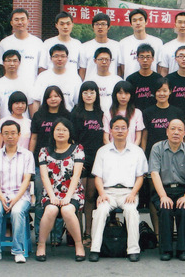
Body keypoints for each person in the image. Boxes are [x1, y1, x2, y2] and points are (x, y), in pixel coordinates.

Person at [88, 115, 148, 262]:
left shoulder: (137, 151)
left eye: (123, 128)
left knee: (131, 211)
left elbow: (140, 177)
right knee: (100, 211)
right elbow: (98, 177)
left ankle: (133, 250)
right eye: (116, 128)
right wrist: (101, 193)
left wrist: (133, 193)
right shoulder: (102, 151)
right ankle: (95, 249)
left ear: (128, 130)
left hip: (128, 192)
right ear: (111, 130)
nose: (120, 131)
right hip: (108, 192)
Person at [0, 120, 34, 264]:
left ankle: (18, 251)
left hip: (21, 196)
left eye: (13, 133)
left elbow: (26, 180)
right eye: (6, 133)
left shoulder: (27, 155)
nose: (10, 136)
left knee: (17, 212)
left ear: (19, 135)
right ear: (2, 135)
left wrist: (15, 199)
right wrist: (2, 198)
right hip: (0, 195)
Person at [149, 118, 185, 261]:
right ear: (167, 132)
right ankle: (166, 249)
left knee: (184, 208)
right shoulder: (157, 148)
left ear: (184, 133)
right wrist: (163, 196)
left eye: (179, 129)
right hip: (163, 190)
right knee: (165, 208)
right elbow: (154, 173)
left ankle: (182, 249)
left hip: (183, 190)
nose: (176, 132)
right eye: (173, 129)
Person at [37, 118, 87, 262]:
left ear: (70, 133)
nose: (61, 132)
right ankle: (41, 245)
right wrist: (52, 196)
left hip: (73, 193)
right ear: (52, 132)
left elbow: (76, 176)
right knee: (50, 210)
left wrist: (68, 197)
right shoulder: (43, 151)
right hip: (51, 193)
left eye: (64, 130)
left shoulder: (78, 150)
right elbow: (44, 177)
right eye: (58, 129)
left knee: (67, 210)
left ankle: (79, 245)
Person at [29, 85, 70, 233]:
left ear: (61, 98)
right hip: (41, 163)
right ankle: (40, 234)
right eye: (50, 96)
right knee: (41, 198)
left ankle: (57, 236)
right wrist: (30, 158)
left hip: (62, 162)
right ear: (45, 99)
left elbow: (71, 139)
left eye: (56, 96)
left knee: (60, 198)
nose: (53, 99)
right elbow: (34, 138)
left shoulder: (67, 115)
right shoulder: (38, 115)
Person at [71, 81, 104, 247]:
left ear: (97, 95)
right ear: (81, 95)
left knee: (91, 197)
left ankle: (88, 233)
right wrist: (77, 159)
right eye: (85, 92)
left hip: (96, 159)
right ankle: (76, 233)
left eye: (92, 92)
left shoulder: (101, 114)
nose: (89, 95)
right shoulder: (76, 113)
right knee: (80, 198)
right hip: (80, 159)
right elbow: (72, 139)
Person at [142, 77, 185, 156]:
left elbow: (181, 135)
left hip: (173, 153)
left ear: (170, 92)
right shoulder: (147, 112)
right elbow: (144, 137)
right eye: (158, 91)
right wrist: (143, 154)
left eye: (165, 91)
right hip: (152, 154)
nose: (161, 94)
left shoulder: (177, 112)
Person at [0, 8, 42, 83]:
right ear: (11, 23)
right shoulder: (4, 43)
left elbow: (41, 69)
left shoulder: (38, 43)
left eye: (22, 19)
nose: (20, 22)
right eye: (16, 19)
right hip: (10, 86)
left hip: (31, 86)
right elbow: (2, 67)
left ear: (28, 21)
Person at [32, 45, 81, 112]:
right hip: (46, 116)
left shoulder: (75, 78)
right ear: (50, 58)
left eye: (63, 56)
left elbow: (78, 103)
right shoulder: (42, 77)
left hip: (68, 116)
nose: (59, 59)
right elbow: (36, 101)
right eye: (56, 56)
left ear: (67, 58)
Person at [119, 9, 163, 79]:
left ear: (146, 22)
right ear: (130, 24)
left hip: (152, 82)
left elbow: (159, 66)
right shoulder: (123, 43)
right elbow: (122, 67)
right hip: (130, 83)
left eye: (141, 19)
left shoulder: (157, 42)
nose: (138, 23)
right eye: (134, 20)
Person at [78, 13, 121, 80]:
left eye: (103, 24)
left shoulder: (117, 46)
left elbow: (119, 70)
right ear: (93, 27)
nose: (100, 27)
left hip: (111, 84)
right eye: (97, 24)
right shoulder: (85, 47)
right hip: (91, 85)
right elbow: (82, 71)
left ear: (108, 27)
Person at [0, 50, 34, 120]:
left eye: (15, 61)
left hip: (24, 123)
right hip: (5, 124)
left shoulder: (26, 83)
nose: (12, 64)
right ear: (3, 63)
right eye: (8, 61)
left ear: (19, 63)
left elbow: (31, 105)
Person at [102, 81, 145, 146]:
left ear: (131, 95)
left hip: (131, 150)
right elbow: (106, 138)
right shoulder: (108, 113)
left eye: (126, 93)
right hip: (112, 150)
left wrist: (132, 150)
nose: (123, 96)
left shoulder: (137, 113)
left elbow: (138, 138)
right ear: (115, 94)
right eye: (120, 93)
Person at [84, 47, 123, 112]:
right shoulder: (89, 80)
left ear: (111, 61)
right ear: (95, 61)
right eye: (101, 59)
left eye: (107, 59)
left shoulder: (118, 80)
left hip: (113, 114)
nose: (104, 62)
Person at [126, 43, 161, 110]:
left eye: (148, 57)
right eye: (142, 57)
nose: (145, 60)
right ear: (137, 59)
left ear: (153, 59)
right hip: (135, 113)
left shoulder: (158, 78)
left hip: (154, 113)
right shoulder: (130, 79)